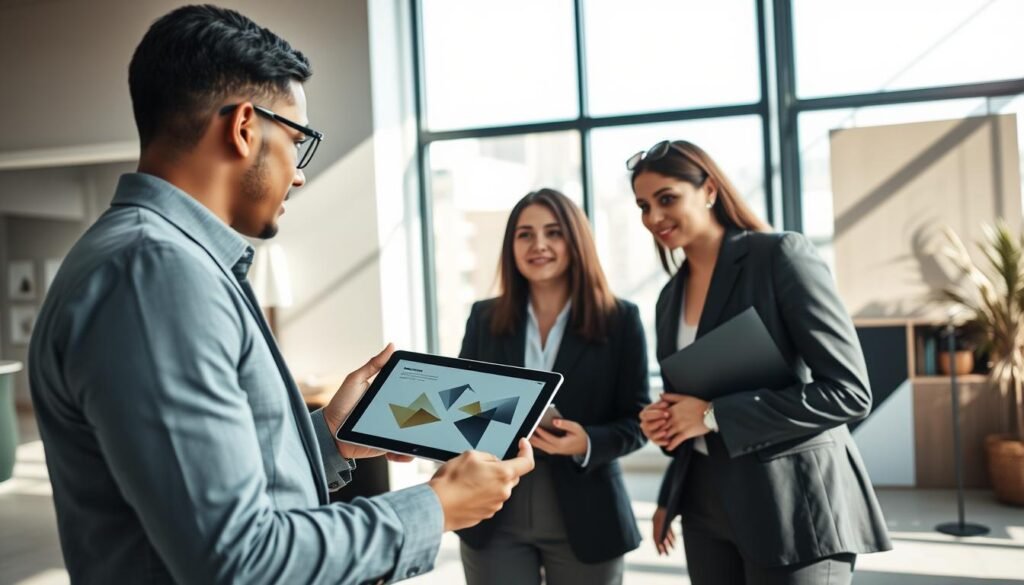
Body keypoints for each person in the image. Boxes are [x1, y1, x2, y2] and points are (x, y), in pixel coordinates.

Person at [27, 5, 533, 584]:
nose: (298, 173)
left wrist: (331, 439)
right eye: (299, 141)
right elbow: (238, 561)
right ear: (245, 127)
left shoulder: (169, 263)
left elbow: (203, 491)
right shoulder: (155, 276)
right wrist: (434, 507)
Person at [629, 140, 892, 584]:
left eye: (667, 198)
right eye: (642, 205)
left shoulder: (779, 257)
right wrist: (669, 427)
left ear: (709, 189)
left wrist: (712, 416)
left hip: (793, 505)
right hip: (705, 506)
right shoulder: (667, 299)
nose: (653, 217)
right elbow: (691, 405)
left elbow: (849, 394)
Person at [456, 189, 650, 585]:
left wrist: (587, 442)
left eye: (553, 232)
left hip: (587, 510)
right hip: (494, 507)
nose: (538, 245)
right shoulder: (484, 317)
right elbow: (462, 407)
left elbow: (639, 420)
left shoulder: (620, 320)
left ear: (575, 241)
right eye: (524, 234)